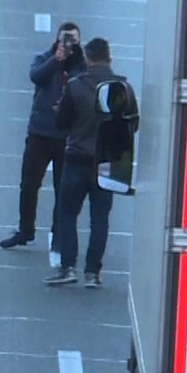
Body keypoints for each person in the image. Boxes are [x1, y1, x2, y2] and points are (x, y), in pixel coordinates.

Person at [48, 37, 139, 288]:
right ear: (109, 58)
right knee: (100, 218)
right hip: (106, 162)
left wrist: (61, 112)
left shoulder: (76, 86)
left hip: (77, 158)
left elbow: (61, 123)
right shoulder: (123, 87)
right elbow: (134, 123)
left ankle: (68, 267)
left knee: (67, 213)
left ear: (88, 59)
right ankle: (93, 272)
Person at [3, 22, 83, 250]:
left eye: (74, 40)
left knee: (63, 188)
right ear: (57, 40)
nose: (69, 44)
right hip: (40, 131)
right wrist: (55, 60)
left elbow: (84, 86)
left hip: (66, 136)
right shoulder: (45, 58)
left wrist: (74, 60)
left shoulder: (81, 65)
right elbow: (36, 76)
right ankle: (25, 230)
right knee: (29, 184)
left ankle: (59, 232)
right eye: (65, 39)